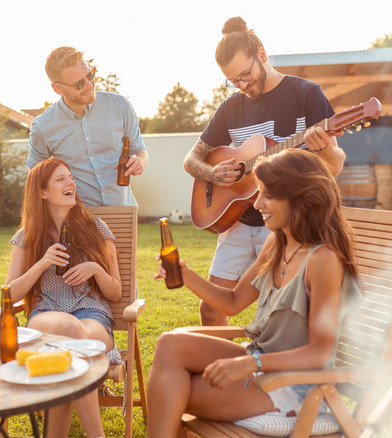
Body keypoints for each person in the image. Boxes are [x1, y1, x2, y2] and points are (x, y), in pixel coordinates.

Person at [146, 148, 362, 437]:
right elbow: (233, 302)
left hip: (290, 385)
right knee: (170, 343)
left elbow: (320, 352)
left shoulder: (323, 260)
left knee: (170, 389)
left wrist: (251, 363)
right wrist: (186, 276)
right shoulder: (278, 243)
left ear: (301, 198)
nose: (257, 203)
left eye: (267, 195)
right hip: (260, 361)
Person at [183, 17, 347, 326]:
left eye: (246, 74)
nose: (243, 85)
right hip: (240, 221)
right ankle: (225, 371)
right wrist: (212, 174)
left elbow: (334, 167)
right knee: (210, 310)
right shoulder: (231, 107)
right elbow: (191, 159)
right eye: (234, 81)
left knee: (281, 318)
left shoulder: (306, 94)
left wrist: (322, 148)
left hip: (290, 225)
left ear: (262, 54)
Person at [5, 158, 122, 437]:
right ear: (42, 192)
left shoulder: (97, 229)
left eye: (70, 178)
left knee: (71, 342)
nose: (70, 183)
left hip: (92, 314)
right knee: (71, 333)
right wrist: (42, 263)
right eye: (60, 179)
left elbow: (115, 293)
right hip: (47, 314)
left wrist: (95, 269)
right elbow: (9, 294)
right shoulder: (28, 236)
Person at [28, 46, 148, 207]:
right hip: (78, 219)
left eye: (90, 75)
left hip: (123, 210)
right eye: (79, 84)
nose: (89, 86)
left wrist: (139, 161)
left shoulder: (120, 106)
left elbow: (140, 150)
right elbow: (35, 178)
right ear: (57, 88)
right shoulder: (43, 127)